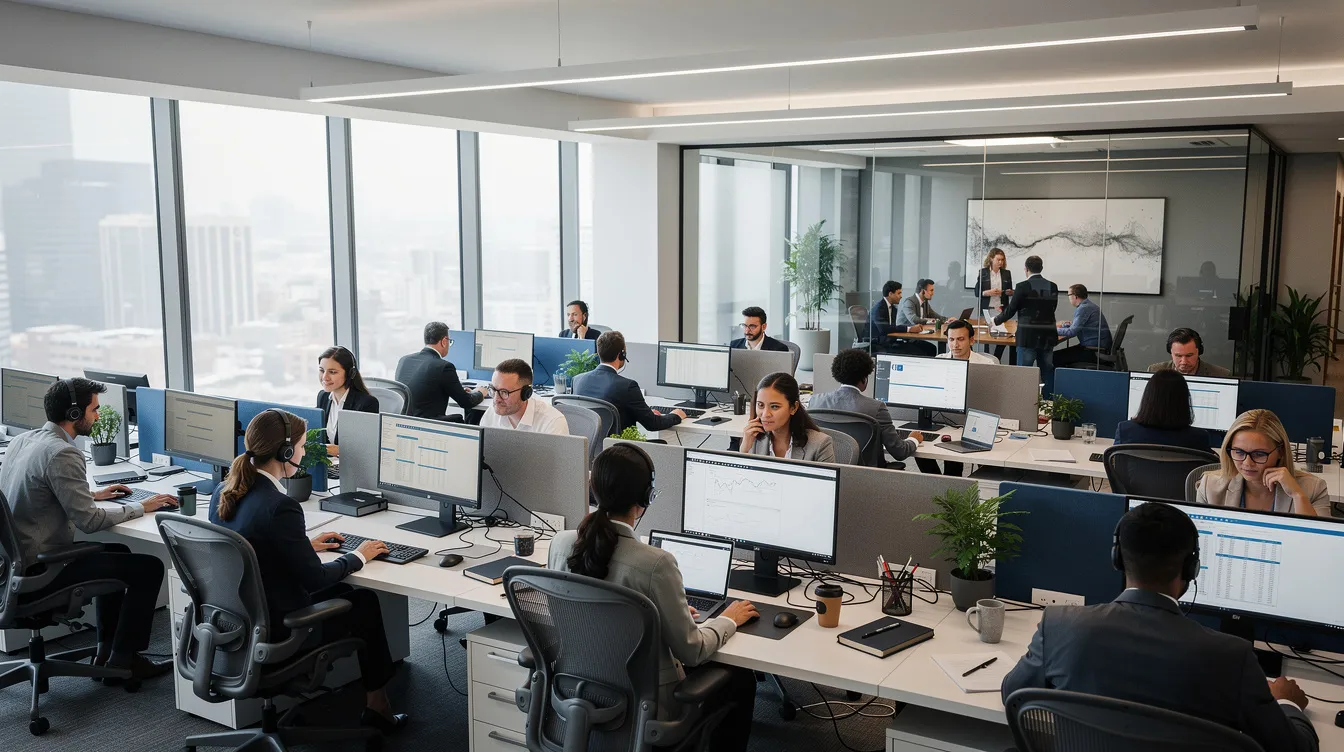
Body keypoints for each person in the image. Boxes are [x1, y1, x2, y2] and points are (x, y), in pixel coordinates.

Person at [1002, 501, 1319, 752]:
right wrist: (1287, 702)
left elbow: (1013, 694)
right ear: (1191, 568)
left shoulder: (1059, 626)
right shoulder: (1231, 657)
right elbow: (1293, 748)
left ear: (1118, 559)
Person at [549, 444, 760, 752]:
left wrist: (657, 614)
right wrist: (728, 619)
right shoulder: (656, 563)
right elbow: (693, 651)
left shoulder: (561, 543)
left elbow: (586, 615)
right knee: (741, 678)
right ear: (646, 498)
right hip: (645, 706)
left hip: (575, 691)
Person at [209, 409, 409, 734]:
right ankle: (378, 706)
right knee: (364, 603)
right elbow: (315, 579)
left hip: (236, 625)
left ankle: (378, 705)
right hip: (281, 631)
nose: (302, 453)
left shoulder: (224, 491)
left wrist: (303, 545)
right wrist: (360, 555)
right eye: (300, 446)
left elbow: (249, 547)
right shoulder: (279, 506)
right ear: (285, 452)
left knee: (347, 595)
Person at [0, 378, 177, 681]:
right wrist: (142, 506)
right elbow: (89, 522)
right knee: (148, 567)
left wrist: (92, 494)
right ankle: (124, 661)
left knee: (119, 553)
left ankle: (106, 652)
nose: (97, 416)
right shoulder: (62, 453)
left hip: (10, 569)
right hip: (40, 571)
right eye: (94, 409)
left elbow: (37, 487)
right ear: (73, 415)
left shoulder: (24, 441)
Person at [1195, 409, 1329, 516]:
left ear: (1280, 451)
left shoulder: (1313, 489)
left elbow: (1321, 545)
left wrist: (1298, 496)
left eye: (1259, 454)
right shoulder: (1210, 487)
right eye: (1239, 452)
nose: (1247, 463)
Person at [808, 348, 922, 465]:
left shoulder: (815, 402)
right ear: (864, 379)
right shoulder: (876, 408)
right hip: (864, 475)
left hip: (827, 471)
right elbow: (900, 452)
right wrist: (913, 439)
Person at [573, 331, 687, 432]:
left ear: (598, 353)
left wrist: (645, 412)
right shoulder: (627, 386)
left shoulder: (577, 380)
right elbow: (652, 424)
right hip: (619, 451)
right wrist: (675, 415)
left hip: (589, 449)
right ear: (621, 354)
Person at [395, 321, 487, 420]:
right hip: (430, 426)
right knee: (464, 416)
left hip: (405, 423)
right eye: (449, 342)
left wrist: (457, 390)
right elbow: (466, 402)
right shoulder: (444, 367)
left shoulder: (404, 360)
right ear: (444, 341)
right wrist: (480, 392)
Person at [994, 255, 1059, 394]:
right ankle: (1049, 406)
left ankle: (1024, 403)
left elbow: (1011, 310)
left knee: (1024, 373)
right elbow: (1052, 308)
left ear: (1026, 269)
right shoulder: (1052, 286)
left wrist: (995, 321)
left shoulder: (1022, 287)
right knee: (1047, 371)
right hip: (1047, 335)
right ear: (1041, 268)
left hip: (1028, 336)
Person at [740, 372, 835, 463]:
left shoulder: (820, 444)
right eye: (760, 405)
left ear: (793, 408)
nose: (765, 414)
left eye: (774, 406)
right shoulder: (753, 439)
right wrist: (744, 450)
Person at [1114, 371, 1212, 453]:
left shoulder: (1125, 430)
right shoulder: (1199, 438)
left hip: (1137, 476)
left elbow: (1116, 465)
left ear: (1148, 398)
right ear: (1184, 401)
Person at [316, 345, 379, 457]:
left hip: (351, 467)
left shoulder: (366, 404)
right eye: (322, 370)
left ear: (350, 374)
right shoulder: (323, 397)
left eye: (332, 372)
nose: (325, 377)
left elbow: (366, 449)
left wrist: (340, 450)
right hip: (329, 464)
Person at [480, 358, 569, 435]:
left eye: (504, 392)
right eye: (493, 390)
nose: (496, 399)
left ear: (526, 394)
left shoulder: (551, 423)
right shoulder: (491, 415)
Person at [1053, 284, 1113, 369]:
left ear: (1075, 296)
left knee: (1054, 358)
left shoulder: (1083, 308)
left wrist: (1052, 329)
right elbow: (1078, 325)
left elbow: (1072, 331)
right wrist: (1064, 325)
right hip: (1097, 347)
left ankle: (1055, 382)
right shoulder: (1089, 306)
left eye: (1069, 295)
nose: (1069, 298)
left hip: (1094, 351)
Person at [868, 281, 935, 356]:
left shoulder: (893, 308)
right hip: (878, 344)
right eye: (899, 293)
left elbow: (892, 327)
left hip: (891, 341)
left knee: (930, 348)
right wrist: (909, 329)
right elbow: (884, 329)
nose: (901, 296)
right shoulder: (879, 308)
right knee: (919, 352)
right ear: (890, 294)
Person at [974, 248, 1012, 361]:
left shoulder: (1006, 273)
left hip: (1001, 309)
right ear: (991, 259)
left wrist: (1007, 292)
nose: (1000, 262)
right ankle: (988, 361)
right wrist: (987, 292)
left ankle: (996, 358)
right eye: (998, 260)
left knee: (1004, 336)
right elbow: (977, 292)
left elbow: (1008, 290)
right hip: (987, 309)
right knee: (987, 336)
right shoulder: (983, 272)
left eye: (1002, 260)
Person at [1148, 327, 1232, 378]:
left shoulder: (1221, 375)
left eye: (1189, 355)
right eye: (1178, 356)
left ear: (1199, 351)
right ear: (1170, 352)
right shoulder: (1154, 371)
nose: (1184, 362)